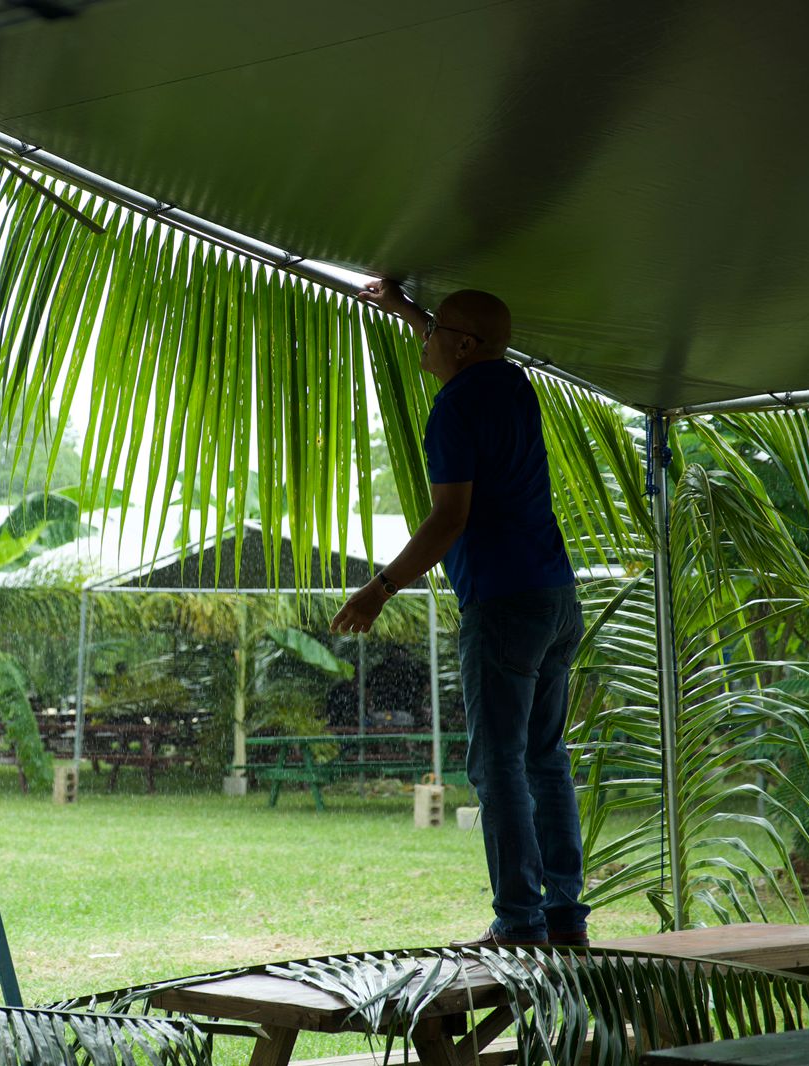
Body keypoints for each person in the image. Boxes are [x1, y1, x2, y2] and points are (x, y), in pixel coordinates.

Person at [332, 279, 588, 949]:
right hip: (557, 599)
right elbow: (464, 336)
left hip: (503, 605)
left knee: (498, 765)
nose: (425, 337)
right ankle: (564, 917)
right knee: (545, 759)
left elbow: (450, 519)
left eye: (434, 329)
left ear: (464, 344)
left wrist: (379, 588)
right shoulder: (513, 385)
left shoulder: (454, 409)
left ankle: (520, 923)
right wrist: (407, 309)